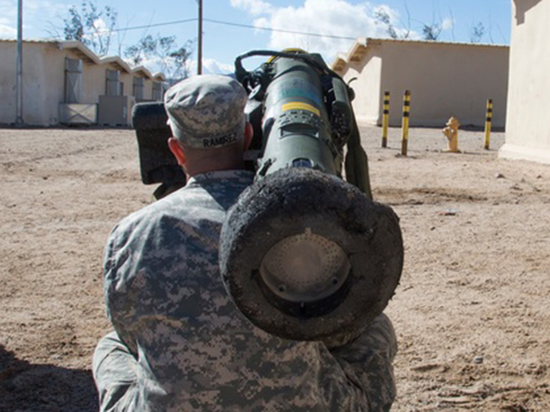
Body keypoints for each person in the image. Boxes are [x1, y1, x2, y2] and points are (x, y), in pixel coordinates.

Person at [93, 74, 398, 411]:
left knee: (112, 346)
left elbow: (130, 329)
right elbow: (342, 325)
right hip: (303, 404)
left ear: (176, 149)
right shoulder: (291, 223)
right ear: (248, 134)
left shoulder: (133, 233)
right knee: (374, 327)